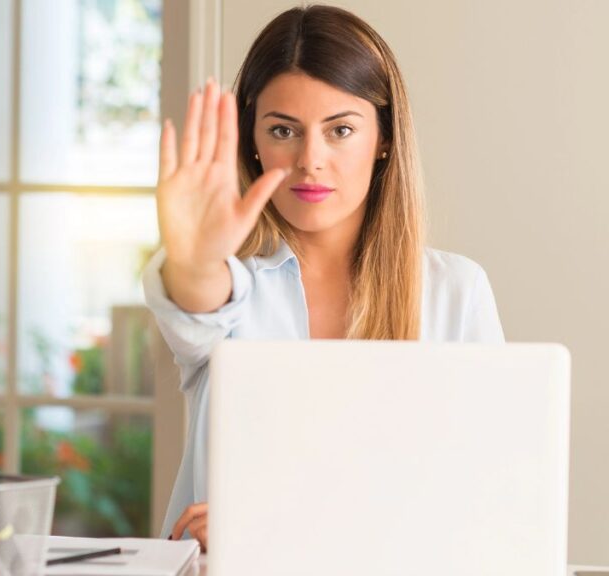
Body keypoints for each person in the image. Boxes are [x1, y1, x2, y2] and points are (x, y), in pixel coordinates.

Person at [143, 4, 504, 550]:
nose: (310, 160)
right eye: (283, 129)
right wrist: (194, 262)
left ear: (382, 139)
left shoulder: (455, 291)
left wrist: (277, 522)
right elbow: (199, 305)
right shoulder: (232, 282)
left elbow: (483, 493)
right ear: (253, 141)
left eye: (340, 130)